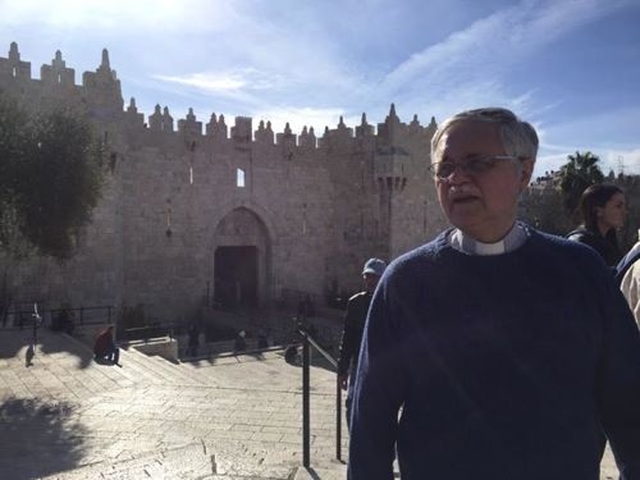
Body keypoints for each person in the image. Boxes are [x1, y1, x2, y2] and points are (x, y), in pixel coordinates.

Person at [348, 107, 640, 480]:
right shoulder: (405, 282)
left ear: (524, 171)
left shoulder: (582, 272)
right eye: (444, 167)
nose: (456, 178)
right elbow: (371, 417)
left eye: (477, 162)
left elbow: (629, 402)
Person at [337, 257, 386, 429]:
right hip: (359, 364)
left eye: (375, 277)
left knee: (381, 409)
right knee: (352, 405)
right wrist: (342, 370)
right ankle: (356, 444)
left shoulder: (391, 302)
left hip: (384, 365)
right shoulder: (355, 303)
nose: (371, 280)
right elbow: (348, 337)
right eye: (368, 276)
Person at [566, 183, 626, 267]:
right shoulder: (580, 245)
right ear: (598, 211)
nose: (624, 212)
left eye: (624, 206)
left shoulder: (609, 242)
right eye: (618, 206)